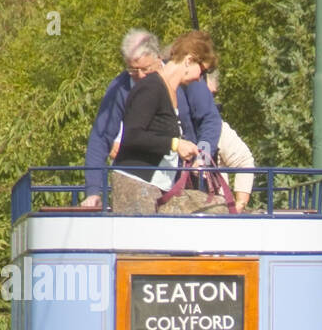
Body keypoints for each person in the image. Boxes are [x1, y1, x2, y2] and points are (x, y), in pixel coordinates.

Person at [81, 29, 223, 208]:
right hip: (144, 181)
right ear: (188, 61)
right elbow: (108, 136)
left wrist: (202, 156)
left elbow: (211, 119)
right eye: (133, 70)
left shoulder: (189, 83)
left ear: (158, 58)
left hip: (174, 178)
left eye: (145, 69)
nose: (140, 76)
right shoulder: (132, 87)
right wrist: (93, 190)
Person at [114, 30, 216, 179]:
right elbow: (132, 135)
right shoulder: (151, 87)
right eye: (202, 71)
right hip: (136, 183)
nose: (200, 79)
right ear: (188, 60)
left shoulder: (169, 89)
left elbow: (211, 121)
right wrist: (175, 144)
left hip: (155, 185)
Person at [205, 68, 256, 213]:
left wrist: (238, 207)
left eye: (212, 96)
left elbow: (244, 161)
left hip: (213, 214)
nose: (209, 102)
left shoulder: (217, 126)